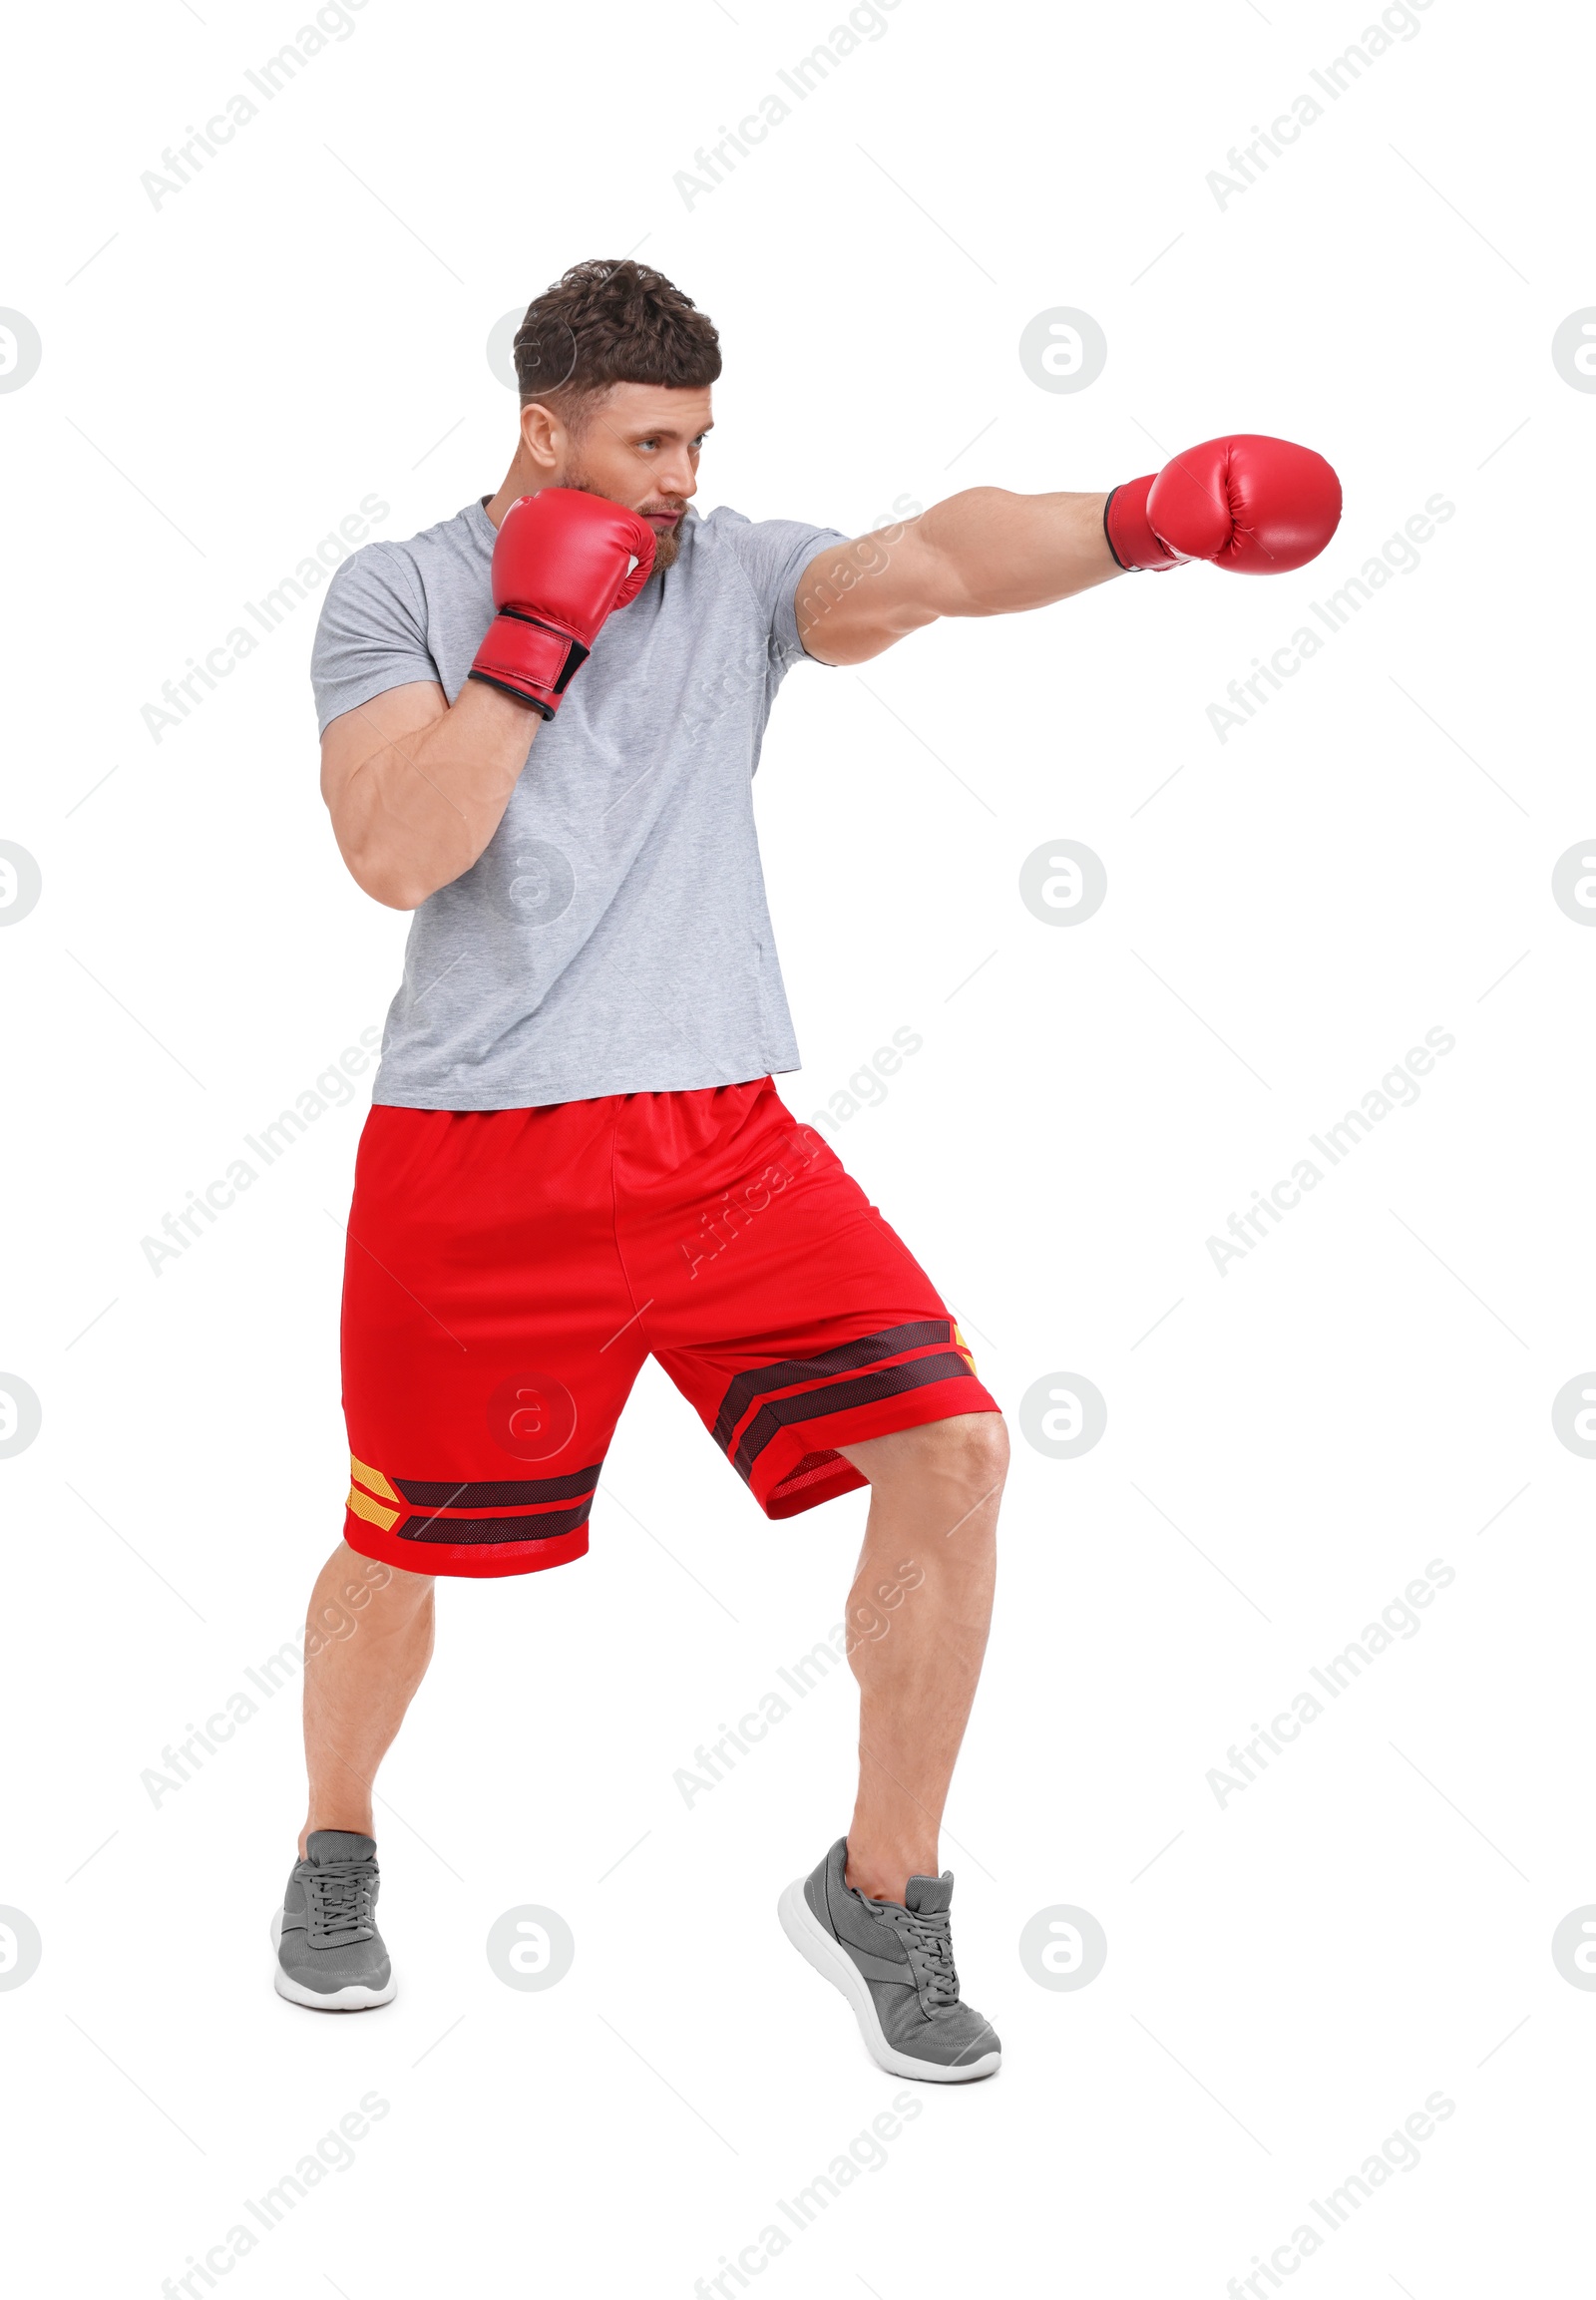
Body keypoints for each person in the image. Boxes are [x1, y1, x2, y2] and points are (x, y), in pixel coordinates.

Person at [272, 257, 1341, 2081]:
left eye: (701, 439)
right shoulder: (401, 592)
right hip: (475, 1154)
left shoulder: (737, 571)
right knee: (395, 1542)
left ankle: (884, 1883)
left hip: (722, 1149)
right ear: (546, 429)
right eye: (650, 442)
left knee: (957, 1444)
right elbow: (396, 851)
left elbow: (934, 556)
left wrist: (1146, 520)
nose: (685, 476)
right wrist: (536, 646)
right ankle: (336, 1837)